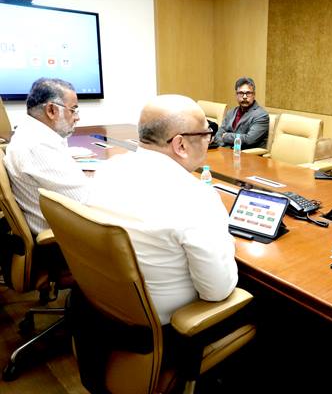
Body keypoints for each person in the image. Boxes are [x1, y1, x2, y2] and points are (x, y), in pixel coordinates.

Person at [86, 94, 238, 325]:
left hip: (103, 307)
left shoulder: (107, 169)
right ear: (180, 145)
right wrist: (227, 241)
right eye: (206, 133)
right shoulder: (196, 197)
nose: (209, 140)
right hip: (166, 326)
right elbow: (218, 291)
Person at [4, 77, 89, 235]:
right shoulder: (37, 145)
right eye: (73, 110)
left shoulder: (31, 133)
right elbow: (86, 201)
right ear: (51, 110)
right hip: (66, 239)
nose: (77, 117)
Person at [214, 76, 269, 150]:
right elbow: (219, 134)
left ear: (254, 95)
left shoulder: (261, 115)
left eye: (248, 93)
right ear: (236, 95)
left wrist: (226, 136)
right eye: (241, 93)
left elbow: (249, 139)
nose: (245, 97)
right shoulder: (231, 112)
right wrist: (224, 147)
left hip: (248, 154)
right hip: (227, 152)